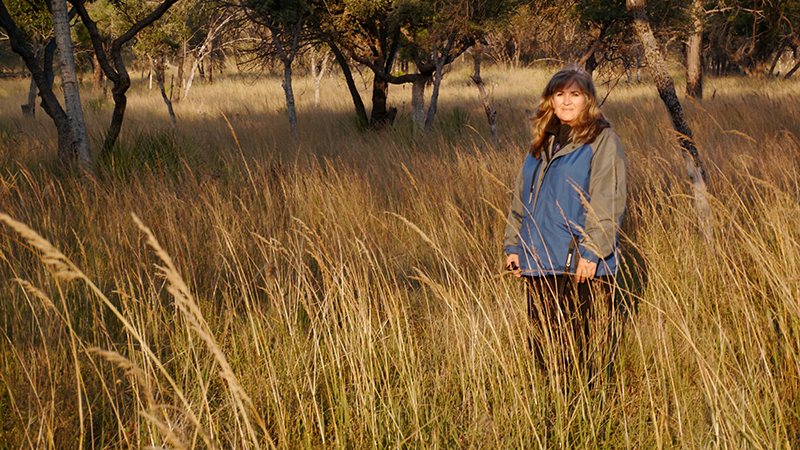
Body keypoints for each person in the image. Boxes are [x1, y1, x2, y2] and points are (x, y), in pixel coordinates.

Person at [503, 65, 627, 371]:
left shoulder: (602, 140)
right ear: (550, 100)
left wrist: (593, 252)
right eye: (560, 94)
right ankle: (549, 410)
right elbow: (521, 198)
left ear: (588, 100)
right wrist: (513, 246)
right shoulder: (542, 143)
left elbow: (608, 199)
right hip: (538, 260)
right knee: (543, 346)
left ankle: (586, 408)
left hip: (580, 263)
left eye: (575, 94)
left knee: (581, 348)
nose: (567, 102)